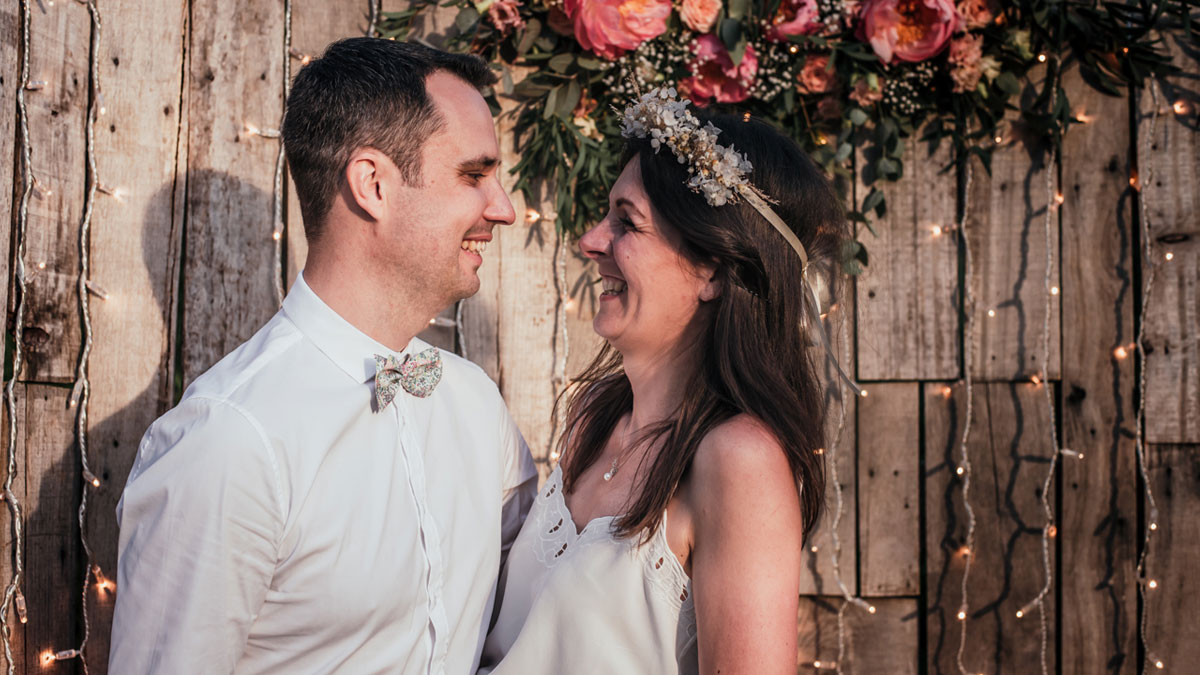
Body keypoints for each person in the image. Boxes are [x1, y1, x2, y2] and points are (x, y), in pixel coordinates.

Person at [110, 38, 536, 674]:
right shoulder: (231, 441)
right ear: (373, 185)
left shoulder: (476, 404)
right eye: (473, 175)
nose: (502, 209)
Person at [480, 88, 849, 674]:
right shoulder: (593, 415)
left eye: (627, 223)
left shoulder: (739, 460)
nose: (591, 241)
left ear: (713, 270)